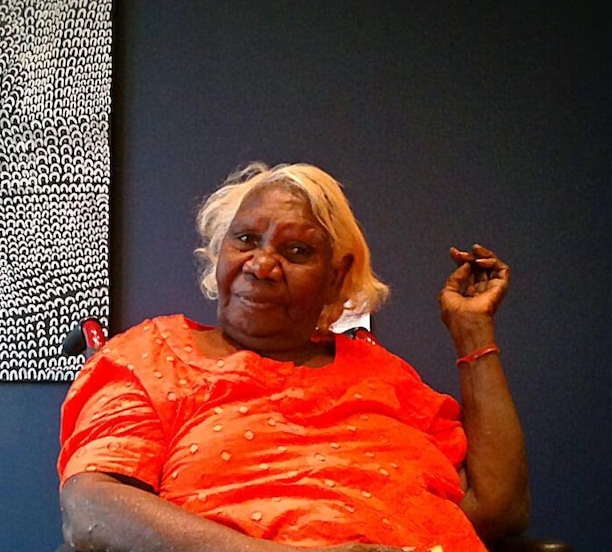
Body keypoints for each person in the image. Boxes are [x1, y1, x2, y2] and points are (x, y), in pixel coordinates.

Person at [57, 162, 530, 552]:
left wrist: (473, 331)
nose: (262, 265)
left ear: (336, 277)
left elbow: (496, 509)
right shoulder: (153, 355)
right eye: (244, 240)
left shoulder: (384, 374)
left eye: (297, 250)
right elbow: (92, 507)